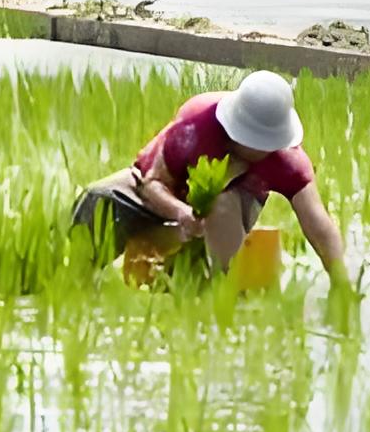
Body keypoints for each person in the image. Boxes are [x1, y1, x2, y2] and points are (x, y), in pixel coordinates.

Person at [70, 71, 346, 285]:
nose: (260, 150)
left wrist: (341, 282)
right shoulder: (195, 127)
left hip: (227, 215)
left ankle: (222, 287)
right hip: (155, 194)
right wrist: (182, 212)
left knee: (222, 208)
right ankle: (72, 281)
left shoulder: (287, 159)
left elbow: (317, 223)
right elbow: (152, 183)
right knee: (100, 200)